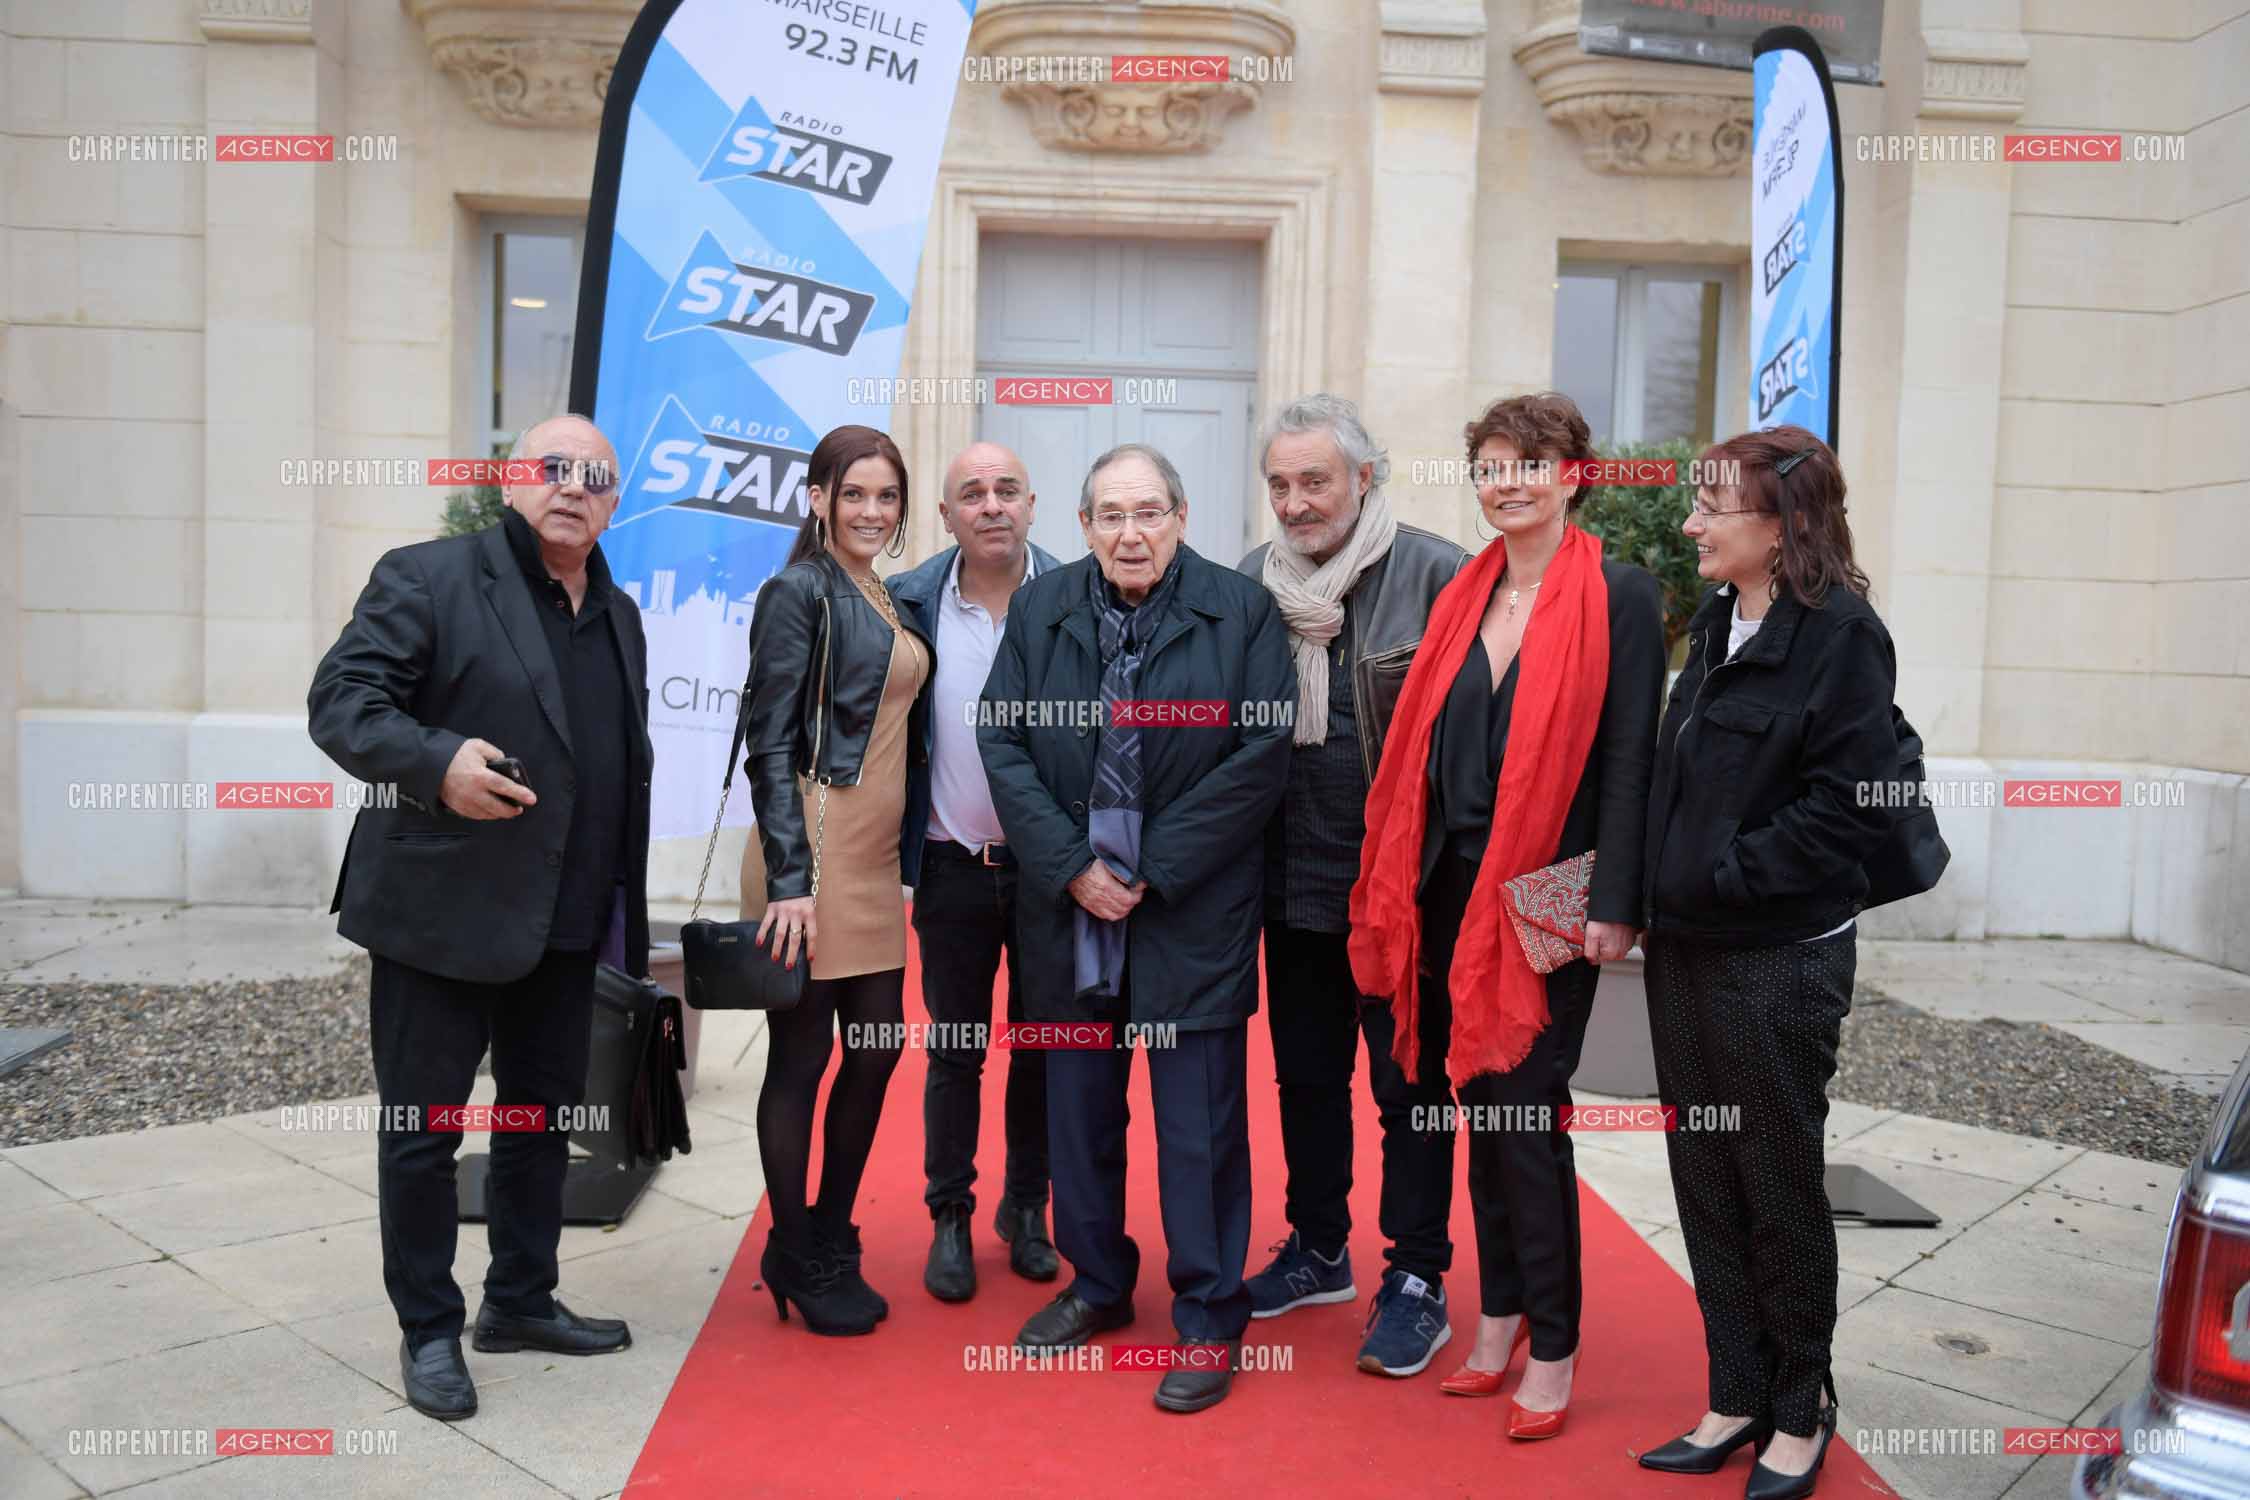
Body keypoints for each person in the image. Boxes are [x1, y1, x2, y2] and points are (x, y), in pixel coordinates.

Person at [308, 413, 647, 1422]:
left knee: (540, 1119)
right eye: (553, 468)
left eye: (596, 476)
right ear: (510, 480)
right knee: (423, 1130)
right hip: (439, 913)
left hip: (567, 919)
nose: (572, 487)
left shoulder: (618, 612)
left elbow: (616, 764)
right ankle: (427, 1329)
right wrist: (437, 762)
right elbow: (343, 703)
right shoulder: (427, 577)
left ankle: (521, 1299)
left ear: (614, 501)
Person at [1350, 392, 1663, 1438]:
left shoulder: (1618, 593)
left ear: (1575, 474)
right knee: (1475, 1112)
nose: (1510, 482)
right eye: (1491, 465)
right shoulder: (1462, 594)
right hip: (1446, 891)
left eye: (1532, 462)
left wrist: (1616, 903)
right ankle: (1499, 1316)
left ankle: (1558, 1344)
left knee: (1527, 1119)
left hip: (1549, 893)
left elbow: (1630, 757)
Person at [980, 443, 1294, 1414]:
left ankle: (1207, 1311)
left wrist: (1146, 867)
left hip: (1187, 910)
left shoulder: (1241, 613)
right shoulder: (1042, 608)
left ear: (1183, 517)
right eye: (1110, 515)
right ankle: (1099, 1284)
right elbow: (1000, 733)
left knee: (1198, 1125)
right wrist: (1074, 868)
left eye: (1148, 512)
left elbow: (1263, 747)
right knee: (1079, 1112)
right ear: (1081, 527)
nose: (1130, 532)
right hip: (1068, 912)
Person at [1636, 427, 1890, 1499]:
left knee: (1778, 1184)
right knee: (1704, 1173)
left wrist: (1722, 878)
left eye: (1710, 508)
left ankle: (1801, 1407)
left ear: (1782, 526)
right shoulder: (1714, 619)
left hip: (1776, 959)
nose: (1690, 523)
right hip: (1687, 951)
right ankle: (1735, 1392)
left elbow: (1845, 813)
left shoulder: (1843, 636)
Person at [1234, 394, 1469, 1378]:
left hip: (1400, 896)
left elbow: (1476, 748)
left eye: (1314, 481)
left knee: (1409, 1089)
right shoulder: (1251, 582)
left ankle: (1417, 1275)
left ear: (1364, 478)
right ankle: (1319, 1247)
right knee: (1305, 1080)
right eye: (1280, 484)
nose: (1295, 503)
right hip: (1288, 888)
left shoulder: (1437, 575)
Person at [737, 424, 933, 1337]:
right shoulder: (797, 590)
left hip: (874, 861)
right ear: (816, 498)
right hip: (809, 861)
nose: (870, 511)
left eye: (885, 496)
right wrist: (787, 878)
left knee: (881, 1046)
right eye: (852, 493)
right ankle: (797, 1246)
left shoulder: (883, 594)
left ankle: (829, 1230)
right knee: (804, 1059)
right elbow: (769, 739)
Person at [888, 441, 1065, 1302]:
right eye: (972, 493)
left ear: (1033, 504)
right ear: (946, 516)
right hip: (953, 866)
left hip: (1053, 873)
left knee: (1040, 1048)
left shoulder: (1080, 597)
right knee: (956, 1052)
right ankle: (949, 1213)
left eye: (1006, 490)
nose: (991, 504)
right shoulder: (909, 604)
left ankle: (1027, 1209)